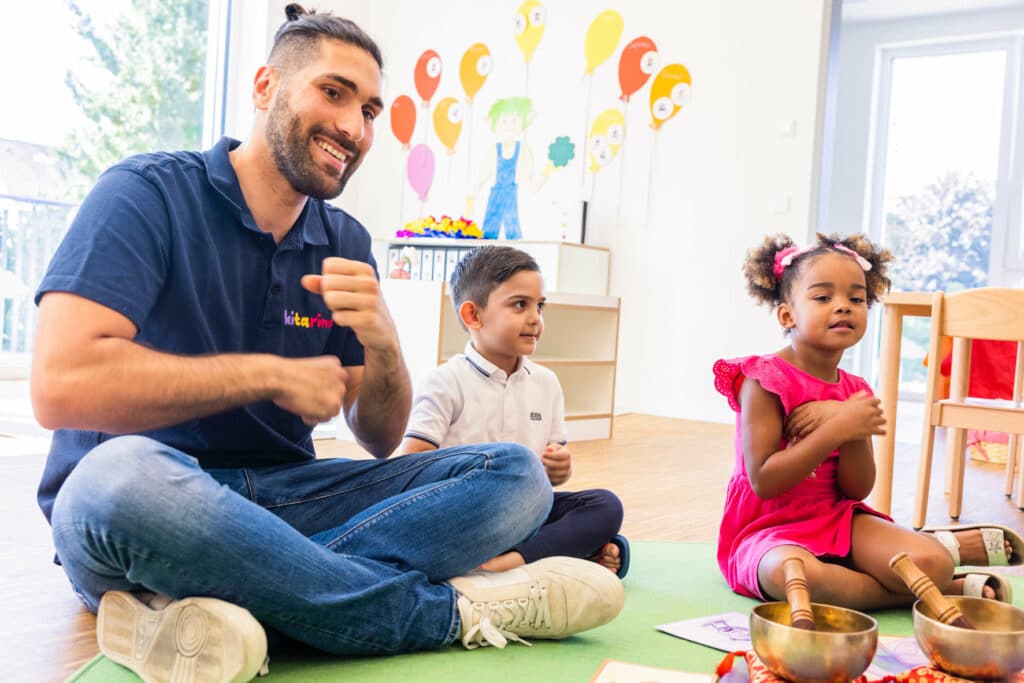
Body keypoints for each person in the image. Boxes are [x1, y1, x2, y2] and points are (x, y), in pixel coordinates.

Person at [31, 6, 623, 682]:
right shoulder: (145, 194)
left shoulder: (344, 241)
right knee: (117, 477)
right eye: (334, 92)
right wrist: (262, 375)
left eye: (370, 110)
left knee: (516, 477)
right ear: (263, 88)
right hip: (150, 504)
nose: (354, 127)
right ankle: (445, 613)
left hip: (290, 498)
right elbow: (59, 384)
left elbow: (378, 436)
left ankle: (222, 603)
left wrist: (385, 342)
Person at [713, 232, 1014, 610]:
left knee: (933, 562)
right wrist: (837, 428)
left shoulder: (855, 389)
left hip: (834, 517)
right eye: (823, 297)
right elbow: (764, 481)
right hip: (768, 527)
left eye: (856, 299)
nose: (843, 307)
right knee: (792, 576)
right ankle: (936, 590)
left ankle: (929, 576)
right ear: (787, 315)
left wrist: (849, 424)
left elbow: (856, 489)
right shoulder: (764, 379)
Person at [399, 246, 629, 577]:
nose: (535, 318)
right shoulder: (446, 380)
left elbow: (552, 473)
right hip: (467, 516)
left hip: (526, 514)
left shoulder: (547, 383)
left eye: (540, 306)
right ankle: (558, 557)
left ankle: (505, 564)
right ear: (473, 315)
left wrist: (559, 467)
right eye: (520, 305)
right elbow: (411, 467)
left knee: (605, 506)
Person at [467, 98, 549, 240]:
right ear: (495, 123)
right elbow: (482, 176)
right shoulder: (493, 150)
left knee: (514, 234)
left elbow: (530, 182)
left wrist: (546, 173)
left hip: (512, 194)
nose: (509, 126)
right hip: (496, 196)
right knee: (489, 233)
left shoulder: (524, 149)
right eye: (504, 121)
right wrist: (471, 198)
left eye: (514, 120)